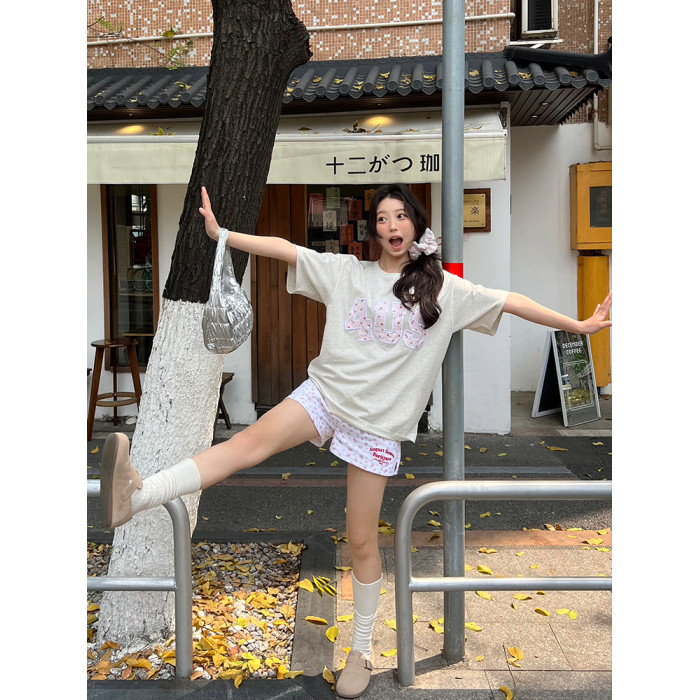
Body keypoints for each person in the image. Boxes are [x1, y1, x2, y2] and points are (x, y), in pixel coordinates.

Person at [100, 183, 612, 699]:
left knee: (362, 540)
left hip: (378, 425)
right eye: (383, 219)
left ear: (416, 225)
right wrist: (223, 235)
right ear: (374, 231)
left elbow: (511, 300)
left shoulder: (445, 291)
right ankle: (138, 494)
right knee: (245, 445)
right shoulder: (348, 272)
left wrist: (578, 324)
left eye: (401, 216)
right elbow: (286, 249)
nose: (392, 226)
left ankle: (361, 651)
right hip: (325, 394)